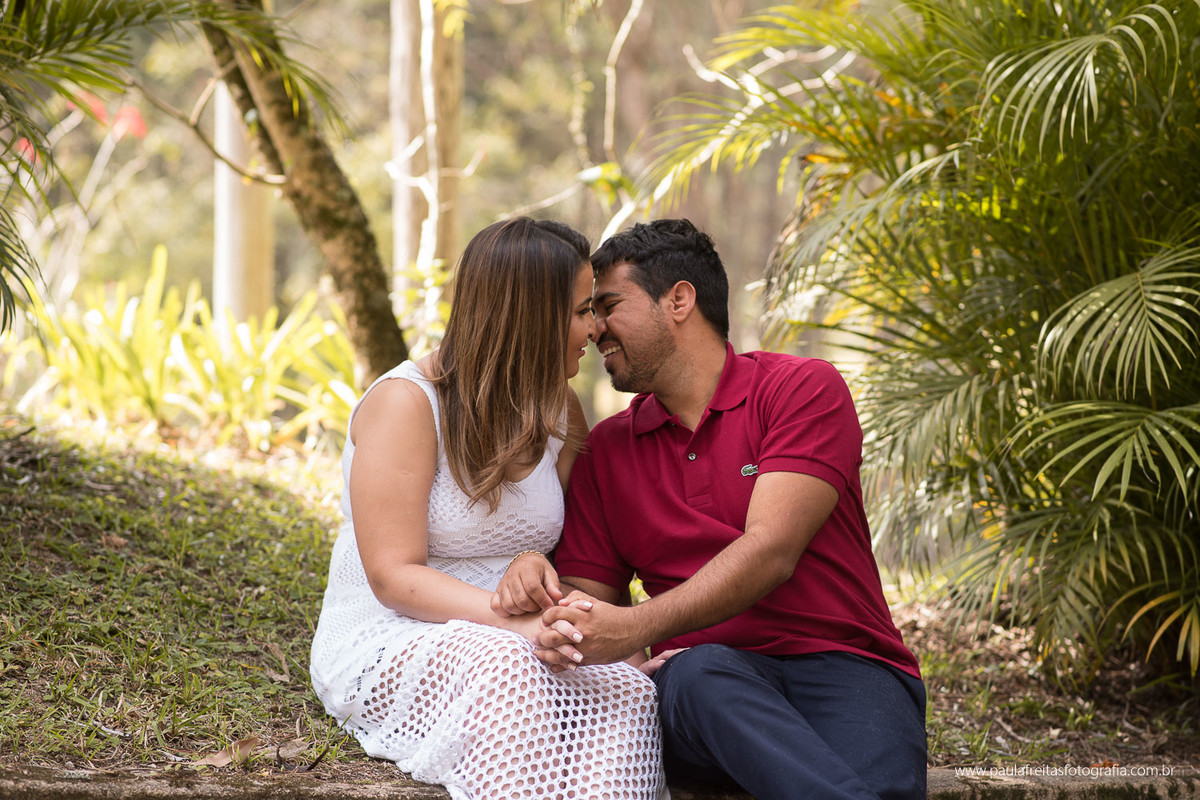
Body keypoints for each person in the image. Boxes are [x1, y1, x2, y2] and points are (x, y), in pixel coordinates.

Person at [495, 219, 926, 800]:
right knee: (699, 675)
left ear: (678, 299)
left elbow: (771, 550)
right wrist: (551, 591)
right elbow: (589, 602)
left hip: (847, 664)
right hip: (706, 687)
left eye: (609, 304)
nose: (595, 329)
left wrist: (635, 625)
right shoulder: (608, 451)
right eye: (590, 312)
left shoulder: (801, 389)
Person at [309, 217, 667, 800]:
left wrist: (605, 629)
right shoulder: (407, 403)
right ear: (530, 316)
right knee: (507, 664)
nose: (596, 328)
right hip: (394, 632)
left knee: (626, 688)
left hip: (520, 629)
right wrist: (527, 628)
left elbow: (567, 549)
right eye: (581, 311)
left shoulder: (558, 406)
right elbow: (392, 576)